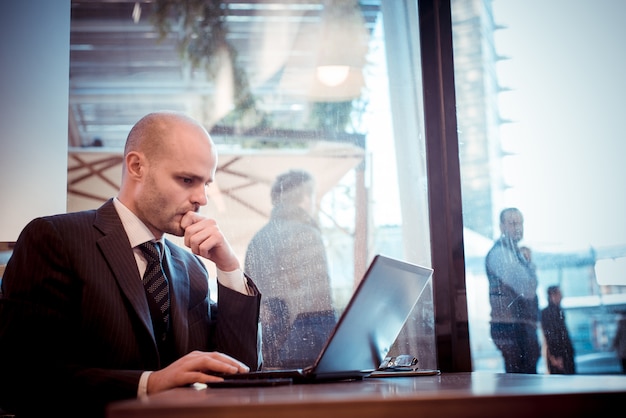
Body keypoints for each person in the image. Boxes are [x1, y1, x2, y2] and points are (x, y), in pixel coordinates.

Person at [0, 111, 262, 417]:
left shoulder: (193, 269)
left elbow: (237, 376)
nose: (201, 199)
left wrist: (228, 268)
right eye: (187, 179)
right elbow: (21, 378)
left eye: (206, 183)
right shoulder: (55, 238)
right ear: (137, 166)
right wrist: (148, 384)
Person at [245, 169, 336, 368]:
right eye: (313, 195)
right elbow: (319, 302)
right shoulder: (307, 234)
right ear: (305, 196)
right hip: (305, 348)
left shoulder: (258, 239)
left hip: (267, 349)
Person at [485, 207, 540, 373]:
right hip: (512, 327)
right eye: (513, 223)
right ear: (501, 226)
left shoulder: (512, 252)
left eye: (520, 222)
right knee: (521, 380)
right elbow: (527, 289)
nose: (518, 227)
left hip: (516, 326)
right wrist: (529, 265)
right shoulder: (501, 254)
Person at [541, 285, 576, 374]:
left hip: (564, 353)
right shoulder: (547, 313)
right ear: (552, 295)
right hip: (558, 355)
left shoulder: (558, 310)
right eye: (559, 293)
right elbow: (550, 336)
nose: (561, 296)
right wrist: (555, 356)